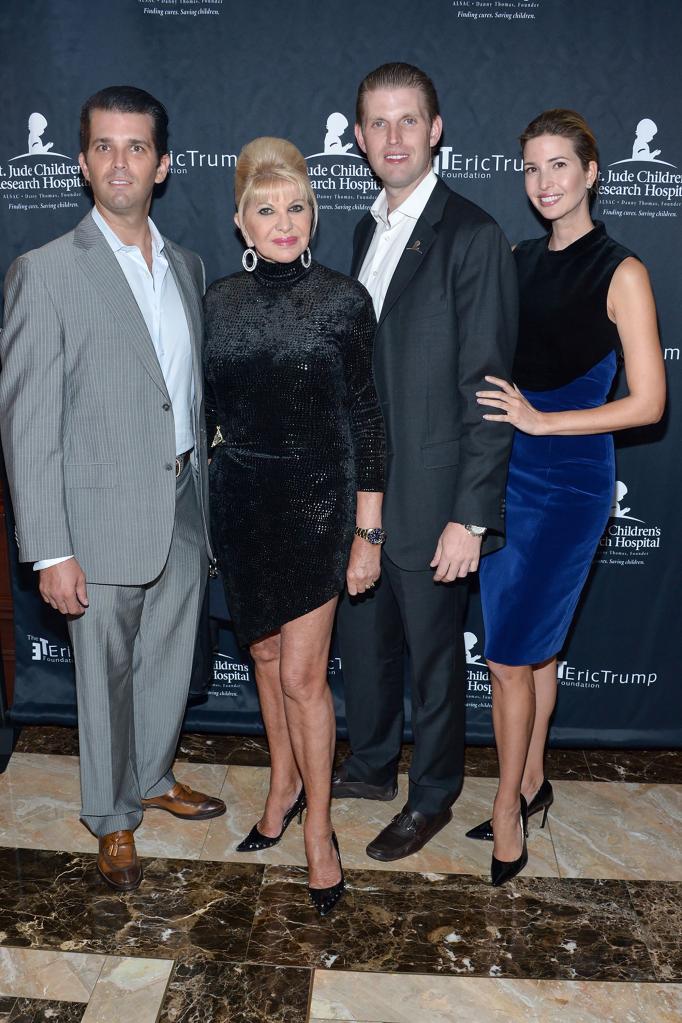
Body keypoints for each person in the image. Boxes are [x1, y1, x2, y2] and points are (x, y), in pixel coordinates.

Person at [0, 86, 225, 893]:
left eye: (136, 147)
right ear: (82, 162)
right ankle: (112, 815)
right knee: (105, 672)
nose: (120, 162)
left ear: (163, 165)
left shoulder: (190, 265)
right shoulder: (47, 271)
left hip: (183, 504)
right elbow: (29, 424)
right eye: (104, 146)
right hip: (94, 520)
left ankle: (153, 776)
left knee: (166, 660)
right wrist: (50, 548)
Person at [470, 109, 666, 885]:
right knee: (535, 648)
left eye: (559, 165)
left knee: (511, 657)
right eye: (531, 167)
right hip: (504, 478)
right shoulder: (516, 260)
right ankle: (530, 777)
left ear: (591, 172)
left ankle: (506, 812)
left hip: (569, 484)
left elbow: (649, 402)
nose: (545, 182)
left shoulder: (622, 271)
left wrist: (545, 420)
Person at [333, 63, 518, 862]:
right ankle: (372, 764)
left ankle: (433, 794)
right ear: (360, 137)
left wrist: (470, 514)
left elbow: (487, 389)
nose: (394, 137)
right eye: (378, 123)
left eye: (409, 120)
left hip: (437, 497)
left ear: (436, 130)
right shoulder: (363, 229)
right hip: (365, 495)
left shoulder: (471, 234)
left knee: (437, 665)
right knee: (367, 645)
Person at [204, 137, 385, 916]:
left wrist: (366, 529)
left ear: (315, 214)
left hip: (319, 503)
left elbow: (369, 418)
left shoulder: (346, 300)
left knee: (305, 675)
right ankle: (281, 784)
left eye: (297, 206)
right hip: (243, 502)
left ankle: (319, 829)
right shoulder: (215, 301)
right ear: (241, 222)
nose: (284, 222)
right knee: (266, 655)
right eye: (266, 209)